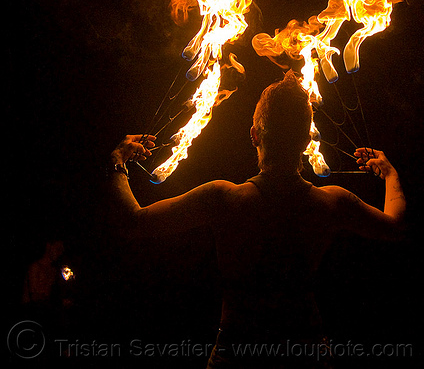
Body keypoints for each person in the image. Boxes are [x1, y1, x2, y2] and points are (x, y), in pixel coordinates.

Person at [107, 71, 406, 368]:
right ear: (307, 140)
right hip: (305, 352)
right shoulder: (332, 202)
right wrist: (390, 174)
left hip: (238, 353)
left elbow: (133, 222)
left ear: (254, 135)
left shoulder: (223, 198)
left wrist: (117, 162)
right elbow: (395, 227)